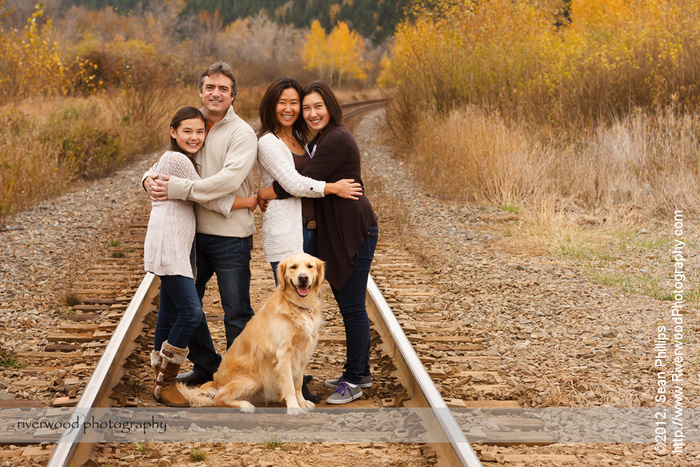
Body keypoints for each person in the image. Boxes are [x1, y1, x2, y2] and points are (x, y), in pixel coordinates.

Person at [258, 81, 379, 405]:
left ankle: (354, 380)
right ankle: (359, 372)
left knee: (352, 307)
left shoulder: (335, 138)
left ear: (331, 107)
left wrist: (266, 193)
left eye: (316, 107)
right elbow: (302, 180)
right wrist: (327, 187)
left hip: (352, 229)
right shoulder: (319, 138)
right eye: (306, 107)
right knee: (347, 304)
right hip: (340, 230)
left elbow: (300, 180)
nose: (310, 113)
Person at [143, 62, 258, 386]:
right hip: (193, 236)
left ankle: (239, 377)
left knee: (235, 311)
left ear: (233, 95)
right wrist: (146, 180)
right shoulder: (194, 125)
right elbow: (164, 164)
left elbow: (227, 181)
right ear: (201, 91)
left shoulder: (241, 133)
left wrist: (178, 189)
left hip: (230, 235)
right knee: (188, 306)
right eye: (210, 87)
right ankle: (208, 365)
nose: (216, 93)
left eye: (223, 88)